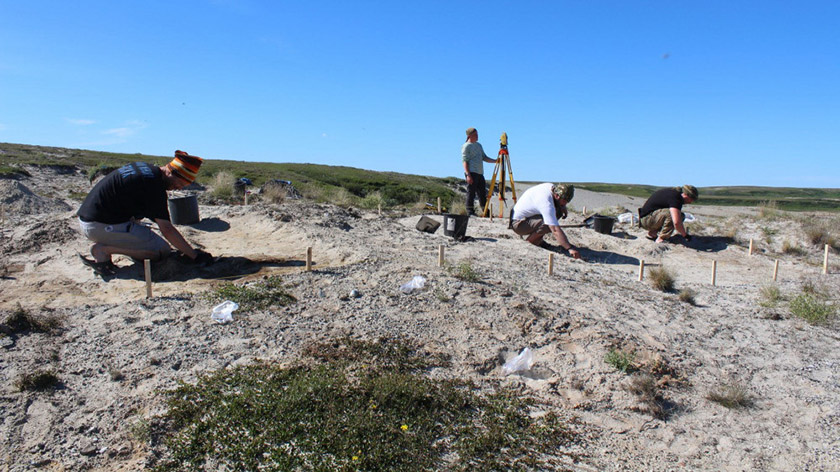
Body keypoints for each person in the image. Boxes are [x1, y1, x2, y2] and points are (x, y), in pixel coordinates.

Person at [76, 150, 213, 276]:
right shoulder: (154, 186)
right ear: (171, 172)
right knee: (161, 250)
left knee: (143, 232)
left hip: (92, 219)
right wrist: (194, 256)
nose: (179, 188)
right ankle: (103, 250)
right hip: (100, 226)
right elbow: (167, 229)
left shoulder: (145, 168)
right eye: (180, 183)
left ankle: (118, 248)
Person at [511, 183, 581, 259]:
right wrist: (570, 248)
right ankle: (530, 242)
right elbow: (554, 229)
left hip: (526, 217)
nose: (565, 203)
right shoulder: (546, 203)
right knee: (548, 223)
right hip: (518, 224)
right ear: (557, 196)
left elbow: (558, 204)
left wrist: (562, 206)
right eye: (564, 201)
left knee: (556, 213)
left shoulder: (552, 188)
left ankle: (538, 240)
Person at [461, 127, 498, 216]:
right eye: (475, 134)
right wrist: (468, 174)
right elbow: (464, 161)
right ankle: (470, 211)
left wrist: (495, 161)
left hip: (480, 173)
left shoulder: (478, 145)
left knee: (482, 193)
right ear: (470, 136)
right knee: (471, 193)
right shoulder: (466, 146)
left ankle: (485, 211)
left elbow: (484, 157)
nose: (477, 136)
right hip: (472, 172)